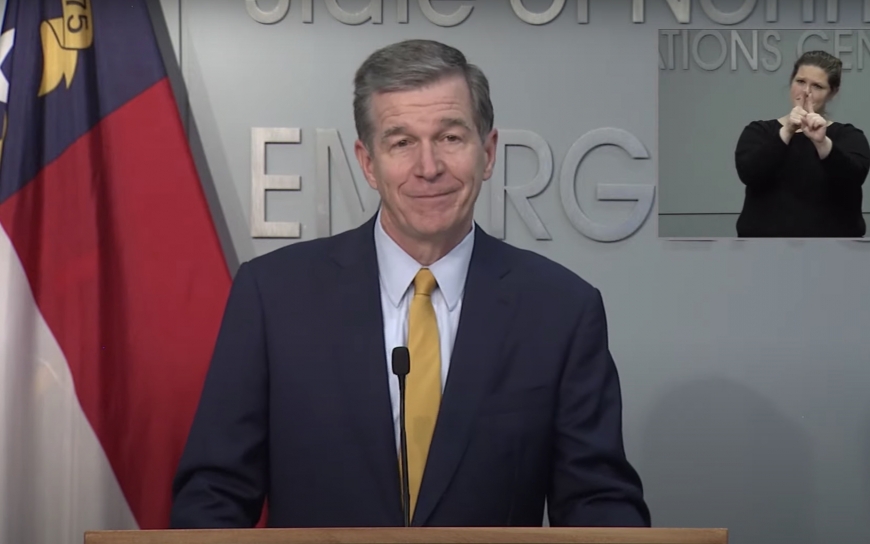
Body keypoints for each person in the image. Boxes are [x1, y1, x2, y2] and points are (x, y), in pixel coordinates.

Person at [169, 39, 649, 529]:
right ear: (367, 162)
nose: (428, 167)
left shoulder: (561, 310)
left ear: (487, 153)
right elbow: (214, 494)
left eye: (450, 138)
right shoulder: (273, 297)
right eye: (401, 142)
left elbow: (599, 502)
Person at [734, 50, 870, 238]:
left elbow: (853, 178)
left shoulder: (848, 136)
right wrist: (787, 131)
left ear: (832, 92)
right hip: (763, 249)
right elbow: (750, 172)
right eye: (800, 82)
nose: (806, 92)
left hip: (835, 251)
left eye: (817, 86)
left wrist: (822, 143)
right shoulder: (759, 131)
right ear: (791, 82)